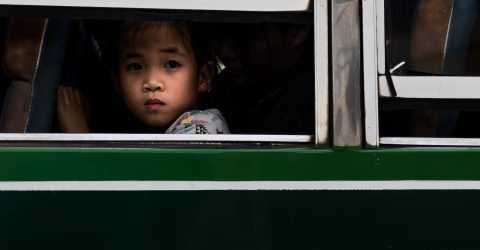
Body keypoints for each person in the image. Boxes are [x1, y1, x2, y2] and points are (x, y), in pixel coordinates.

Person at [57, 20, 229, 134]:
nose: (152, 82)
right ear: (117, 82)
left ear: (203, 77)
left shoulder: (202, 127)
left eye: (171, 64)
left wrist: (78, 134)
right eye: (135, 67)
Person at [205, 22, 314, 135]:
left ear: (298, 30)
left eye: (244, 37)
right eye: (217, 36)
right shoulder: (221, 89)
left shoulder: (320, 106)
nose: (225, 52)